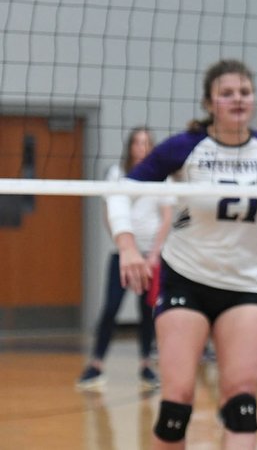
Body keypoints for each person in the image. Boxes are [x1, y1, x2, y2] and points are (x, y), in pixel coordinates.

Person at [107, 59, 257, 449]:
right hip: (187, 278)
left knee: (241, 402)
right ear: (209, 103)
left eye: (245, 92)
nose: (238, 99)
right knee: (176, 406)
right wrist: (127, 246)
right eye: (227, 93)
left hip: (247, 283)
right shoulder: (184, 148)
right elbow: (119, 190)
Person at [76, 127, 173, 391]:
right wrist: (124, 245)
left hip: (151, 257)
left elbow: (166, 218)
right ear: (130, 146)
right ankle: (96, 365)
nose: (141, 147)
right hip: (124, 256)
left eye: (146, 143)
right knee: (110, 308)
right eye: (137, 143)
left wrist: (154, 253)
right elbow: (110, 213)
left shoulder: (162, 179)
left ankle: (145, 365)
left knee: (148, 312)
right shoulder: (117, 175)